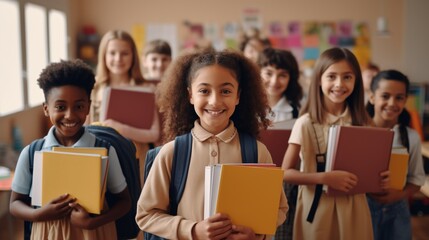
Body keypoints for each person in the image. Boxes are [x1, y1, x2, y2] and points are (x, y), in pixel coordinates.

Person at [136, 49, 288, 239]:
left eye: (225, 91)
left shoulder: (258, 152)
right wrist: (192, 230)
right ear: (190, 95)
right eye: (204, 91)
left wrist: (256, 235)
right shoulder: (172, 153)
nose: (215, 101)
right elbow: (146, 215)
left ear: (238, 96)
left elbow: (278, 209)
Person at [9, 59, 131, 239]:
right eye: (60, 107)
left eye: (79, 106)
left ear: (88, 107)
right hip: (47, 232)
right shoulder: (31, 152)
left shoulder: (104, 150)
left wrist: (92, 222)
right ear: (46, 108)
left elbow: (124, 201)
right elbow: (15, 204)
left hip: (94, 232)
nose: (70, 115)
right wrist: (39, 214)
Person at [282, 47, 388, 240]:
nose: (339, 84)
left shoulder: (364, 123)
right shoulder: (305, 123)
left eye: (347, 77)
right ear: (319, 80)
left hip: (354, 209)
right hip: (316, 210)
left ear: (356, 81)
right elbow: (285, 173)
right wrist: (325, 178)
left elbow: (371, 169)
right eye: (331, 76)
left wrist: (380, 178)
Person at [90, 30, 160, 183]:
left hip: (136, 162)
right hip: (101, 161)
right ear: (104, 55)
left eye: (124, 53)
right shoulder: (93, 88)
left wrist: (117, 127)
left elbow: (154, 134)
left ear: (133, 56)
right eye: (112, 53)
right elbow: (85, 129)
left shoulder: (147, 88)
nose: (118, 59)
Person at [366, 70, 426, 240]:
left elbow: (417, 179)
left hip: (398, 211)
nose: (392, 103)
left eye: (399, 97)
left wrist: (398, 195)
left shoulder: (411, 137)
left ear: (405, 100)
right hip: (364, 209)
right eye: (385, 96)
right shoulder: (358, 133)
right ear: (372, 97)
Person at [257, 47, 303, 240]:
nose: (275, 81)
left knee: (282, 230)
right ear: (258, 73)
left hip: (285, 181)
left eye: (282, 75)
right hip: (254, 175)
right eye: (268, 73)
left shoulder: (298, 110)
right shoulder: (244, 106)